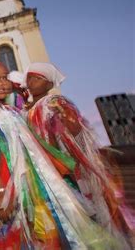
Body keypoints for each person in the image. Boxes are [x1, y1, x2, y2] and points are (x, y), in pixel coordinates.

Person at [0, 61, 123, 249]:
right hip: (8, 179)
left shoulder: (11, 110)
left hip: (28, 178)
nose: (1, 83)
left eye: (4, 77)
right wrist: (1, 191)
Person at [24, 62, 133, 242]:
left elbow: (75, 131)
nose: (32, 81)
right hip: (44, 172)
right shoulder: (28, 111)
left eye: (38, 78)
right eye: (30, 78)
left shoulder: (55, 103)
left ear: (50, 84)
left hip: (66, 167)